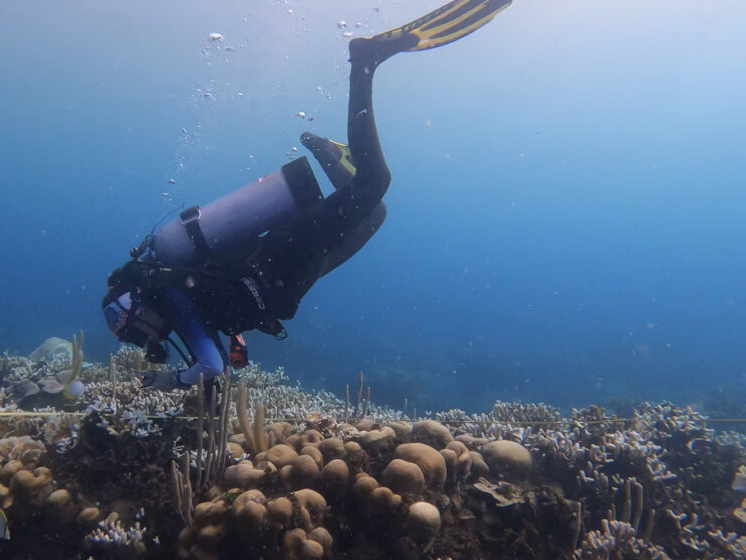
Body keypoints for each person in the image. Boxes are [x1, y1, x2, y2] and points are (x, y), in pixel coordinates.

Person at [102, 0, 511, 390]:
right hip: (292, 277)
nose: (140, 337)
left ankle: (365, 62)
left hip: (285, 258)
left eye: (129, 328)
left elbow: (211, 369)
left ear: (135, 307)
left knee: (373, 184)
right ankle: (329, 153)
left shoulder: (172, 297)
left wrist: (169, 380)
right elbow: (218, 351)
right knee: (375, 212)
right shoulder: (176, 298)